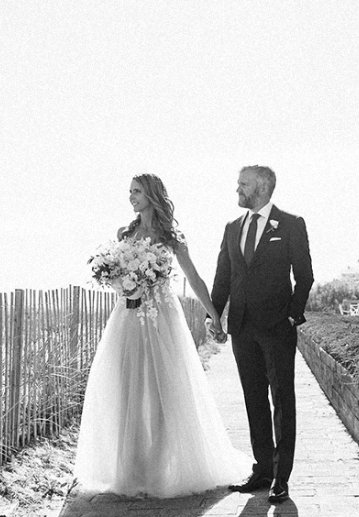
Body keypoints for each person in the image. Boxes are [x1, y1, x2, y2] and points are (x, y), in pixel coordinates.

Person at [74, 173, 251, 497]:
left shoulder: (171, 236)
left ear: (152, 195)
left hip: (161, 319)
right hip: (126, 319)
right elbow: (116, 273)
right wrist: (119, 281)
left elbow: (194, 277)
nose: (131, 197)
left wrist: (215, 315)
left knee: (161, 392)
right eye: (129, 191)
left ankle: (159, 466)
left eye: (137, 191)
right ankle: (130, 467)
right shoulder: (124, 233)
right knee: (126, 390)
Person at [210, 165, 314, 503]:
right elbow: (223, 276)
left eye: (243, 184)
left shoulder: (291, 224)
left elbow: (305, 275)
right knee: (254, 399)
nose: (237, 189)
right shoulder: (231, 228)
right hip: (241, 327)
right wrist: (215, 315)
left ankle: (281, 477)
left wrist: (291, 316)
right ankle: (262, 469)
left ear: (263, 187)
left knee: (282, 400)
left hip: (277, 328)